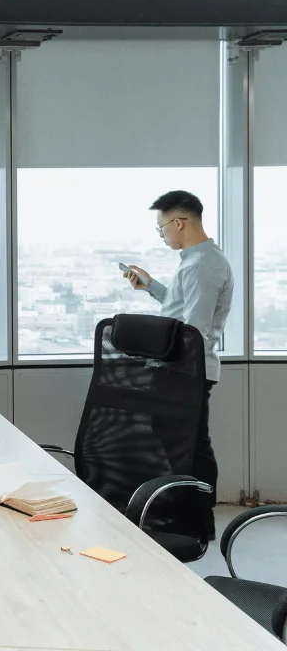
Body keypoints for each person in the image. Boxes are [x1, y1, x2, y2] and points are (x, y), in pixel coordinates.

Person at [123, 189, 233, 538]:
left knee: (189, 445)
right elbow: (181, 307)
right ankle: (190, 515)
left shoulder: (205, 264)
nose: (162, 234)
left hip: (186, 368)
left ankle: (195, 520)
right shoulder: (196, 261)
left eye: (161, 228)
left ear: (179, 222)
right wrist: (152, 287)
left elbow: (193, 331)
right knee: (181, 442)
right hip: (180, 366)